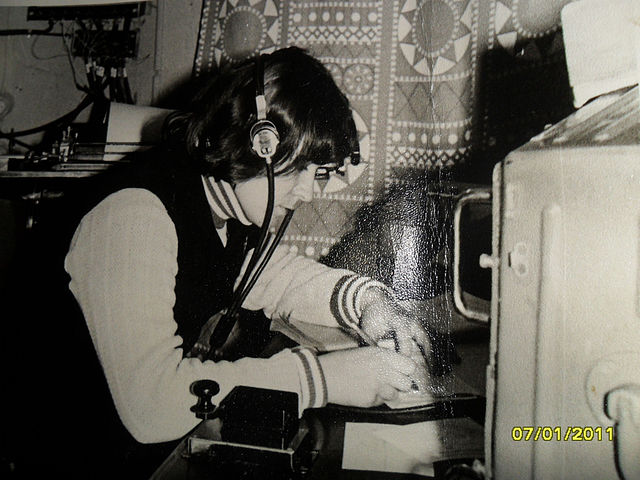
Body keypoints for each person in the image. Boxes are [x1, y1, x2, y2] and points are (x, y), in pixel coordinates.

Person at [63, 47, 431, 474]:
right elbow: (150, 404)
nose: (310, 192)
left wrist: (368, 299)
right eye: (302, 168)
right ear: (258, 143)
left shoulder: (223, 206)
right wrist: (324, 379)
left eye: (318, 173)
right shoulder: (134, 216)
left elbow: (273, 276)